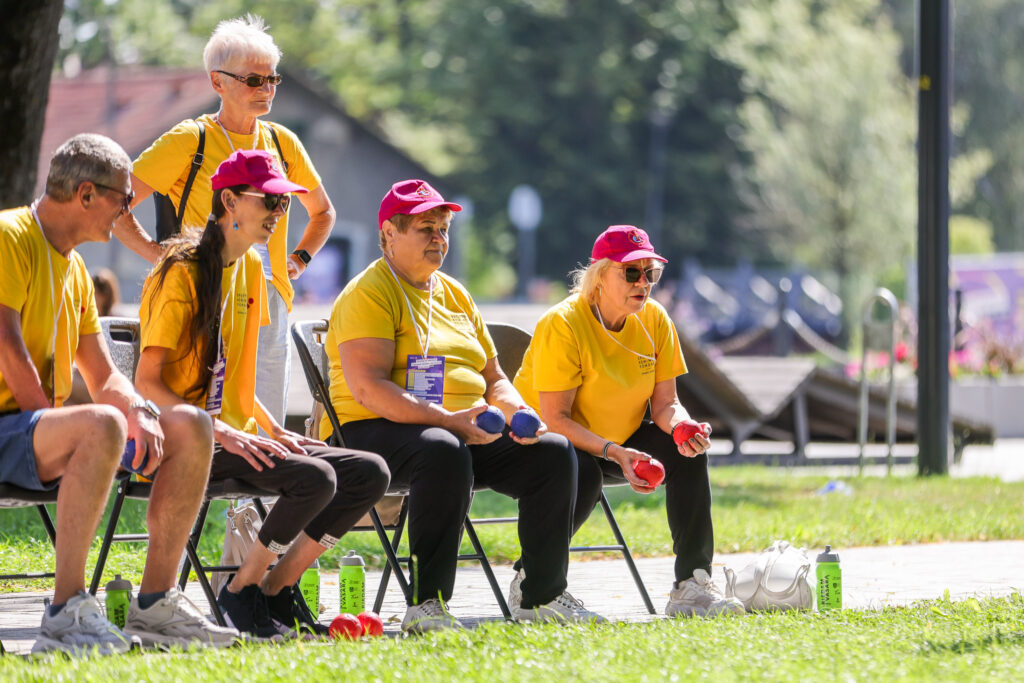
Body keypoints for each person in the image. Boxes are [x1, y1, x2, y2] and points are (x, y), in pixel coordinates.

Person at [323, 180, 602, 633]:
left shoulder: (454, 293)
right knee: (442, 449)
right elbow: (369, 389)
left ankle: (540, 596)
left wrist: (517, 411)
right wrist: (449, 421)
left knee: (553, 452)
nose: (439, 238)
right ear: (389, 233)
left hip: (460, 429)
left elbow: (494, 379)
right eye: (426, 228)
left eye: (444, 229)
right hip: (372, 429)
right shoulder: (368, 292)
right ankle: (426, 604)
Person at [134, 149, 389, 639]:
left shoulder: (252, 265)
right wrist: (222, 432)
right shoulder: (181, 270)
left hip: (236, 435)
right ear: (229, 201)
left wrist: (274, 430)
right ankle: (240, 591)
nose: (278, 213)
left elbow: (236, 378)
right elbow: (147, 383)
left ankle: (274, 590)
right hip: (184, 443)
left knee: (368, 473)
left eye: (284, 203)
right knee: (315, 478)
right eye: (269, 201)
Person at [0, 134, 237, 654]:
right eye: (124, 199)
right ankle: (64, 614)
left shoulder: (75, 270)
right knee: (103, 423)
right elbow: (6, 347)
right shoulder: (9, 235)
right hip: (9, 430)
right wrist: (55, 426)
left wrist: (143, 411)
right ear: (86, 194)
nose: (129, 212)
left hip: (35, 433)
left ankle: (156, 605)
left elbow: (104, 376)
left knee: (190, 424)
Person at [113, 14, 335, 428]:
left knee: (266, 426)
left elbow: (323, 212)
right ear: (217, 82)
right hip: (203, 293)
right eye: (253, 80)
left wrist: (299, 259)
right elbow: (114, 205)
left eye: (273, 79)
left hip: (268, 299)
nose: (266, 89)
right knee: (206, 422)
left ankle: (265, 476)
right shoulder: (189, 140)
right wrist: (164, 258)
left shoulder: (282, 142)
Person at [513, 225, 745, 618]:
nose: (643, 283)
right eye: (631, 272)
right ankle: (531, 580)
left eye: (650, 272)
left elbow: (666, 404)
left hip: (617, 440)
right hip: (546, 444)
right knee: (583, 469)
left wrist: (684, 427)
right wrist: (615, 452)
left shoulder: (654, 319)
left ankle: (692, 586)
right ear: (599, 275)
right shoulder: (563, 322)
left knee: (687, 453)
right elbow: (555, 419)